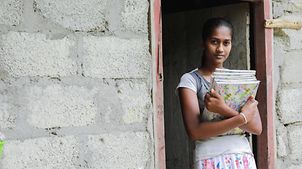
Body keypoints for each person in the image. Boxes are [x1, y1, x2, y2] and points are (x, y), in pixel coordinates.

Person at [177, 17, 262, 169]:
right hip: (209, 158)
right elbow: (195, 131)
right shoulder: (191, 80)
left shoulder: (238, 80)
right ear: (203, 43)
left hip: (242, 157)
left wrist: (223, 109)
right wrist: (242, 118)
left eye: (226, 43)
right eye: (214, 42)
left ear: (231, 44)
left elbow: (256, 128)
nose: (220, 49)